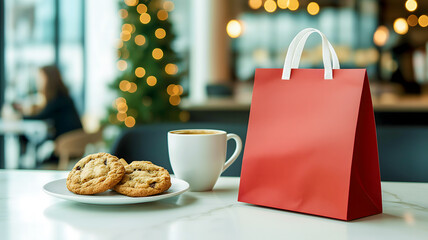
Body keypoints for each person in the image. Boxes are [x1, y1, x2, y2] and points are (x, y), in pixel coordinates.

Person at [14, 65, 83, 162]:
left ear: (49, 79)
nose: (38, 81)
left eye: (41, 78)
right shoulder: (64, 97)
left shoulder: (58, 99)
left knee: (40, 156)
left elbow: (40, 116)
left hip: (67, 146)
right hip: (73, 143)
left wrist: (18, 117)